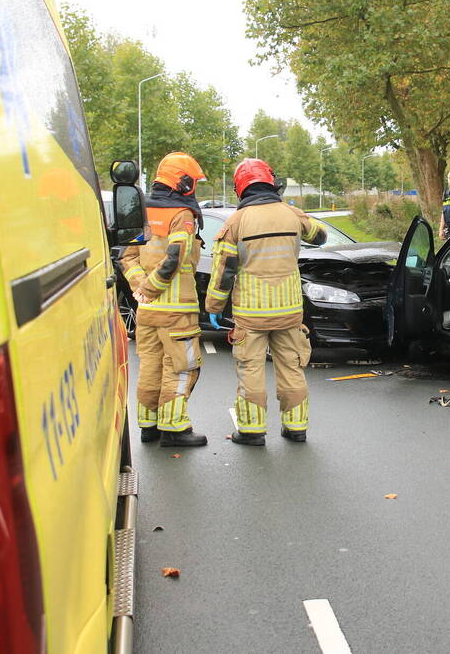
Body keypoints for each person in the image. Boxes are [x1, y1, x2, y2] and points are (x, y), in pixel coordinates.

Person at [205, 159, 327, 446]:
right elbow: (320, 237)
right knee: (291, 368)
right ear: (271, 183)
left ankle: (251, 431)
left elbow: (224, 271)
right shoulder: (292, 214)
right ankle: (296, 428)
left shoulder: (235, 222)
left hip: (251, 315)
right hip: (289, 312)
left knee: (251, 370)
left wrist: (213, 307)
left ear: (240, 187)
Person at [120, 152, 209, 446]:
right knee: (180, 367)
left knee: (150, 367)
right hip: (177, 313)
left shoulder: (141, 210)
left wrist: (140, 286)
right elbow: (175, 258)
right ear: (182, 182)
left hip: (146, 311)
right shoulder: (181, 215)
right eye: (192, 182)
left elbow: (127, 256)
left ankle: (149, 426)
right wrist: (153, 286)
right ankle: (175, 429)